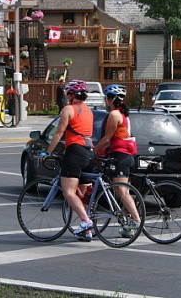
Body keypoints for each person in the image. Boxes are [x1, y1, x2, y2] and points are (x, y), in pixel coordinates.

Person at [40, 79, 95, 242]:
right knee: (84, 195)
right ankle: (87, 231)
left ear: (71, 95)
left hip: (75, 151)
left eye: (67, 93)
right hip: (89, 152)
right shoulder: (89, 111)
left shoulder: (68, 109)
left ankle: (86, 222)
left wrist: (48, 152)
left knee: (68, 191)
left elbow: (58, 133)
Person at [94, 84, 140, 238]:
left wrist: (93, 149)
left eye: (106, 98)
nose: (105, 101)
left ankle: (136, 220)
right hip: (126, 155)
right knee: (123, 191)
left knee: (121, 191)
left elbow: (107, 138)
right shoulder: (123, 114)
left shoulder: (114, 114)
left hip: (121, 156)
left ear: (111, 99)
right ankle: (128, 228)